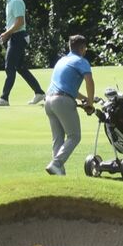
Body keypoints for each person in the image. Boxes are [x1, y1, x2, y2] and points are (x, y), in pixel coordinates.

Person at [0, 0, 47, 107]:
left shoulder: (15, 1)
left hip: (18, 38)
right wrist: (7, 34)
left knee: (9, 66)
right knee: (20, 68)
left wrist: (6, 33)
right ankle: (39, 93)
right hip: (15, 37)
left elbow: (20, 22)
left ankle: (4, 98)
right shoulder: (10, 0)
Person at [43, 35, 96, 176]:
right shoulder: (81, 61)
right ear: (82, 48)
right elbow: (89, 81)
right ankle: (56, 164)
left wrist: (86, 98)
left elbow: (68, 87)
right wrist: (90, 104)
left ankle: (59, 173)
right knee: (74, 136)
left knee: (58, 139)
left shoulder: (62, 60)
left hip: (49, 101)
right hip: (62, 100)